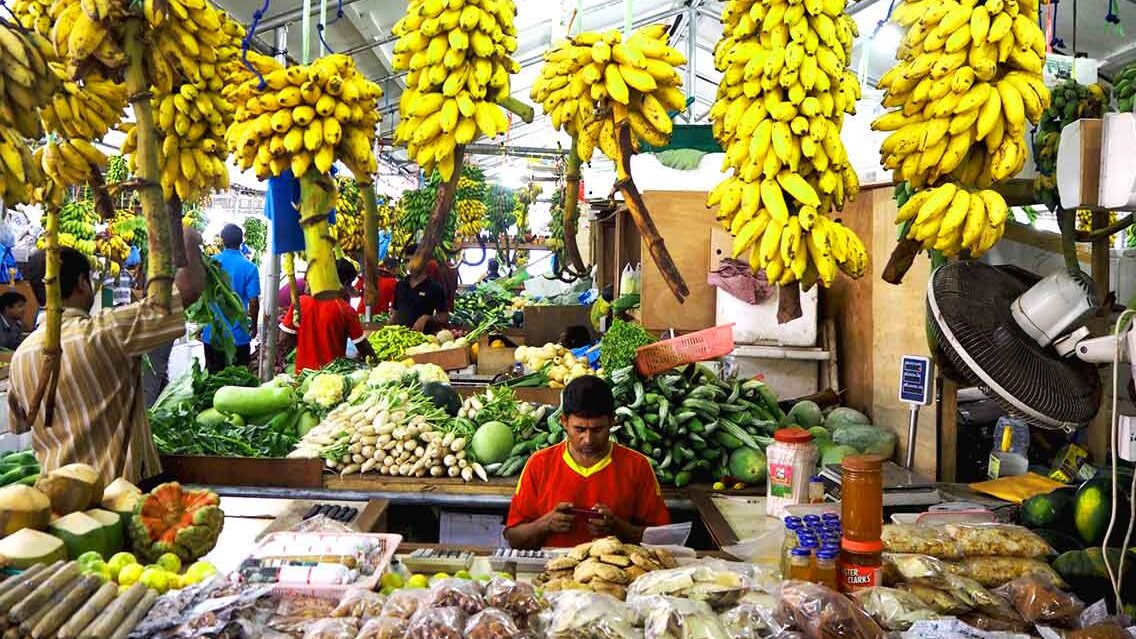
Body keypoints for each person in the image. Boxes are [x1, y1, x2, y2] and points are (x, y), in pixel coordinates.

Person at [8, 230, 205, 486]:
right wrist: (186, 237)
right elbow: (188, 290)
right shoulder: (106, 332)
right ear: (81, 282)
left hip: (56, 495)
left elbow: (20, 424)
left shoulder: (20, 356)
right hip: (116, 492)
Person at [504, 375, 670, 549]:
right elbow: (514, 537)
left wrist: (618, 527)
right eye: (580, 429)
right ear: (564, 422)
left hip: (616, 571)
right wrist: (545, 524)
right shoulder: (539, 464)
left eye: (597, 429)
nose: (588, 439)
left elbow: (663, 539)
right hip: (552, 570)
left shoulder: (637, 465)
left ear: (612, 421)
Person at [279, 259, 376, 373]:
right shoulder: (346, 310)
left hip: (302, 375)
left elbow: (284, 338)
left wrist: (304, 345)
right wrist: (376, 363)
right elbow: (362, 346)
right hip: (331, 377)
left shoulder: (300, 303)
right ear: (345, 283)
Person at [202, 224, 260, 372]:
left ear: (222, 240)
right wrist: (253, 326)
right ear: (242, 241)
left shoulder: (211, 264)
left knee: (212, 381)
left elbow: (202, 295)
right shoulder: (250, 267)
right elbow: (254, 302)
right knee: (238, 383)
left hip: (213, 334)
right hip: (238, 335)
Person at [391, 260, 449, 331]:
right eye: (407, 261)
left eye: (414, 261)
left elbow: (444, 317)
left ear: (424, 263)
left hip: (424, 338)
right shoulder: (400, 285)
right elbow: (395, 311)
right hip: (400, 336)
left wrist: (427, 317)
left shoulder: (435, 288)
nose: (410, 265)